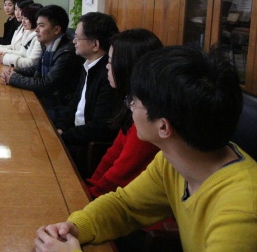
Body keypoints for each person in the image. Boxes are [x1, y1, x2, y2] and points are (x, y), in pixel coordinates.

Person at [33, 46, 257, 252]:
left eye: (134, 101)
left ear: (163, 127)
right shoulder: (173, 159)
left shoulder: (241, 211)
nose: (130, 107)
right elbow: (126, 206)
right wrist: (75, 227)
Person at [86, 29, 163, 198]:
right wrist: (89, 187)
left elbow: (118, 178)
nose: (107, 66)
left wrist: (89, 194)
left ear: (127, 67)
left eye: (110, 61)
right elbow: (111, 157)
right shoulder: (130, 105)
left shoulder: (147, 119)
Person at [54, 12, 119, 175]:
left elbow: (100, 127)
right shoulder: (88, 64)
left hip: (87, 146)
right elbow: (74, 103)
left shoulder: (108, 75)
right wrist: (60, 127)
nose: (73, 41)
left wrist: (63, 136)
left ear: (95, 44)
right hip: (75, 135)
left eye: (77, 38)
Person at [3, 5, 81, 118]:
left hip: (58, 108)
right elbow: (36, 68)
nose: (37, 30)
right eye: (37, 25)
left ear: (57, 29)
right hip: (47, 101)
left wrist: (14, 78)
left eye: (41, 26)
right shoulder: (49, 45)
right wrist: (15, 72)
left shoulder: (67, 53)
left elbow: (46, 84)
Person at [0, 3, 43, 68]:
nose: (23, 22)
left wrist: (5, 58)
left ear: (35, 20)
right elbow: (21, 53)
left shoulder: (39, 38)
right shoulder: (27, 33)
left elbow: (31, 63)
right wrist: (5, 54)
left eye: (26, 19)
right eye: (22, 18)